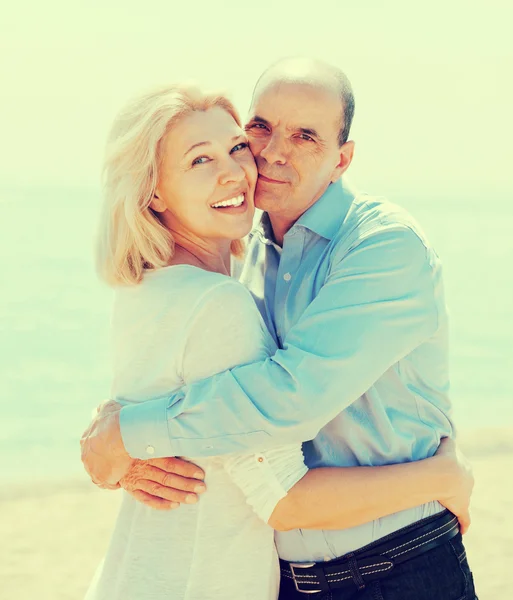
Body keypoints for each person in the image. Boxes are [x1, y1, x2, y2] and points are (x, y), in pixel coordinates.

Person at [82, 59, 477, 600]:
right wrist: (118, 449)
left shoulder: (383, 247)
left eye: (305, 136)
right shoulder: (243, 258)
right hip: (289, 581)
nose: (270, 153)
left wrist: (126, 433)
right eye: (260, 129)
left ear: (342, 160)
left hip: (397, 566)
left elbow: (293, 397)